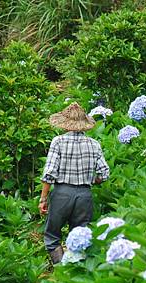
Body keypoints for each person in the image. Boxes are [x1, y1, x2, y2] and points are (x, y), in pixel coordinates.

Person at [39, 102, 110, 264]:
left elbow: (49, 173)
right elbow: (104, 173)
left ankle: (60, 270)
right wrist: (91, 180)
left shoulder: (58, 142)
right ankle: (76, 273)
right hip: (84, 196)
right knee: (80, 237)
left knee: (52, 237)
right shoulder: (94, 144)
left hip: (61, 194)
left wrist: (43, 199)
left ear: (65, 124)